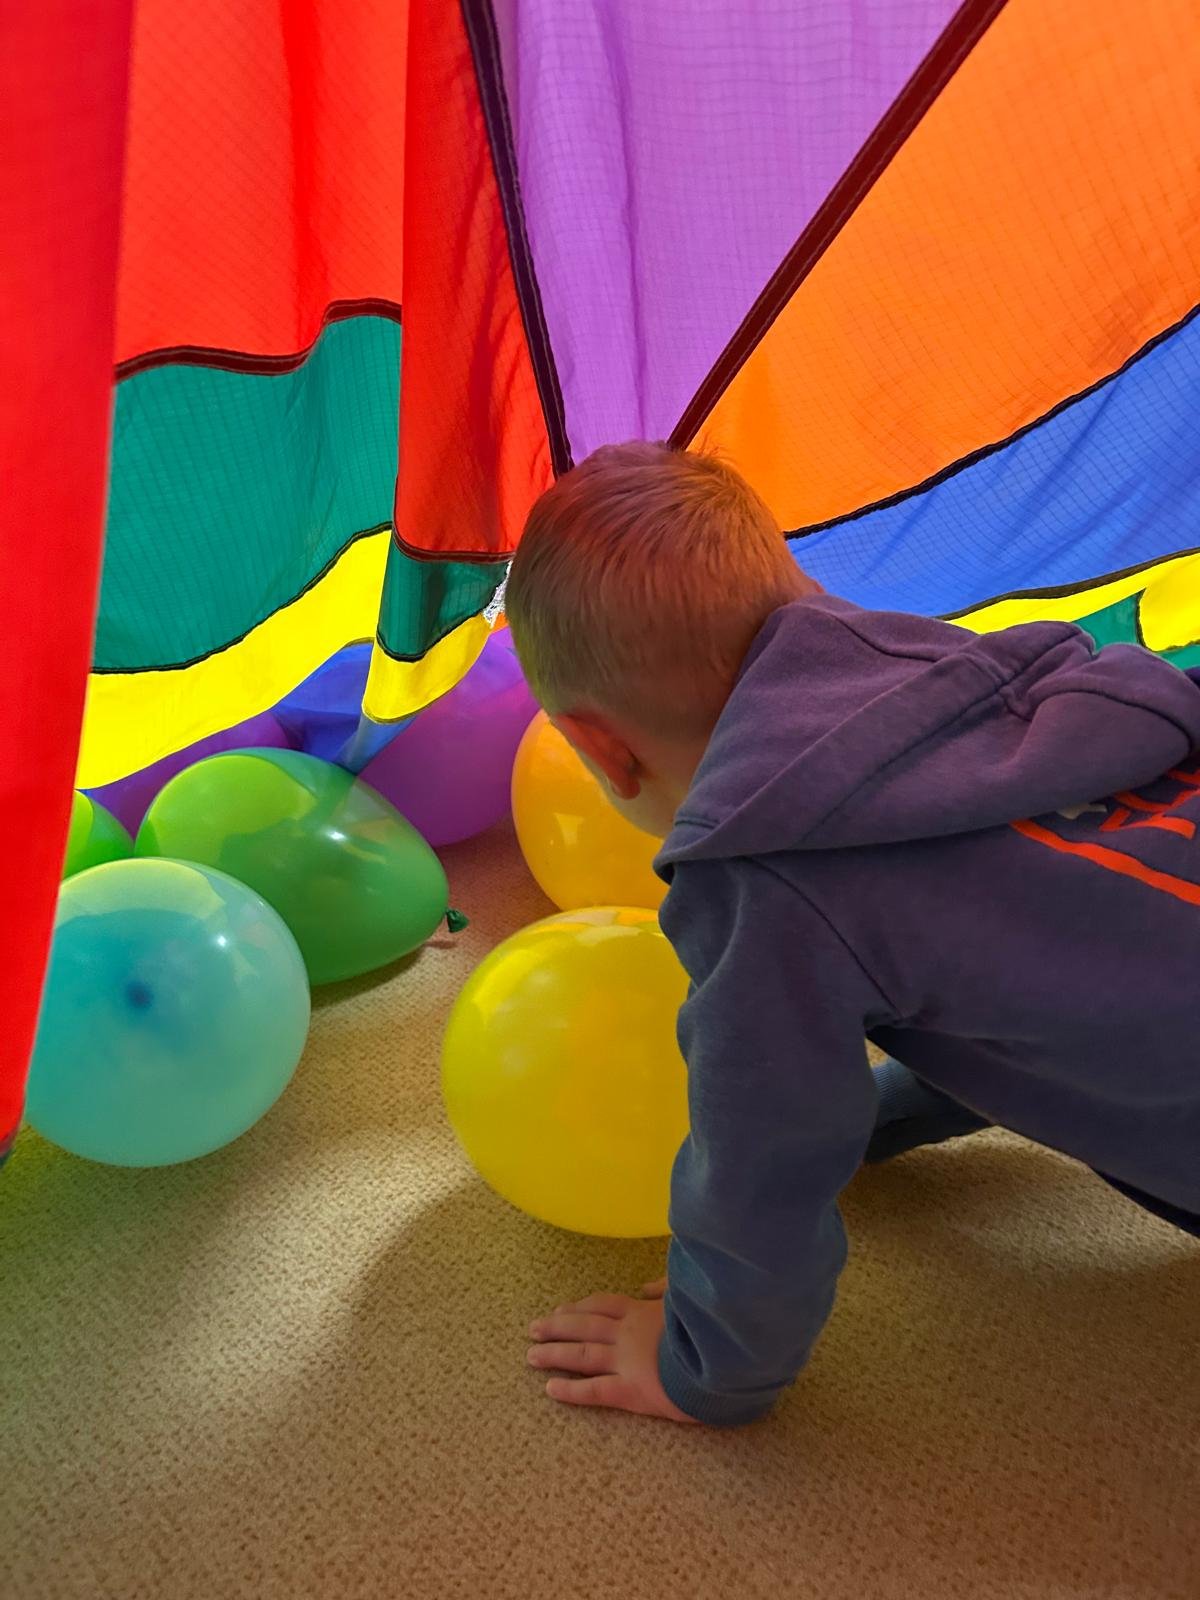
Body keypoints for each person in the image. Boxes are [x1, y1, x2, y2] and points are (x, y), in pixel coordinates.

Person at [504, 441, 1200, 1428]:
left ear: (599, 748)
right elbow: (1035, 929)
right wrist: (882, 1116)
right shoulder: (966, 669)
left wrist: (705, 1365)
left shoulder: (761, 872)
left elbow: (762, 1165)